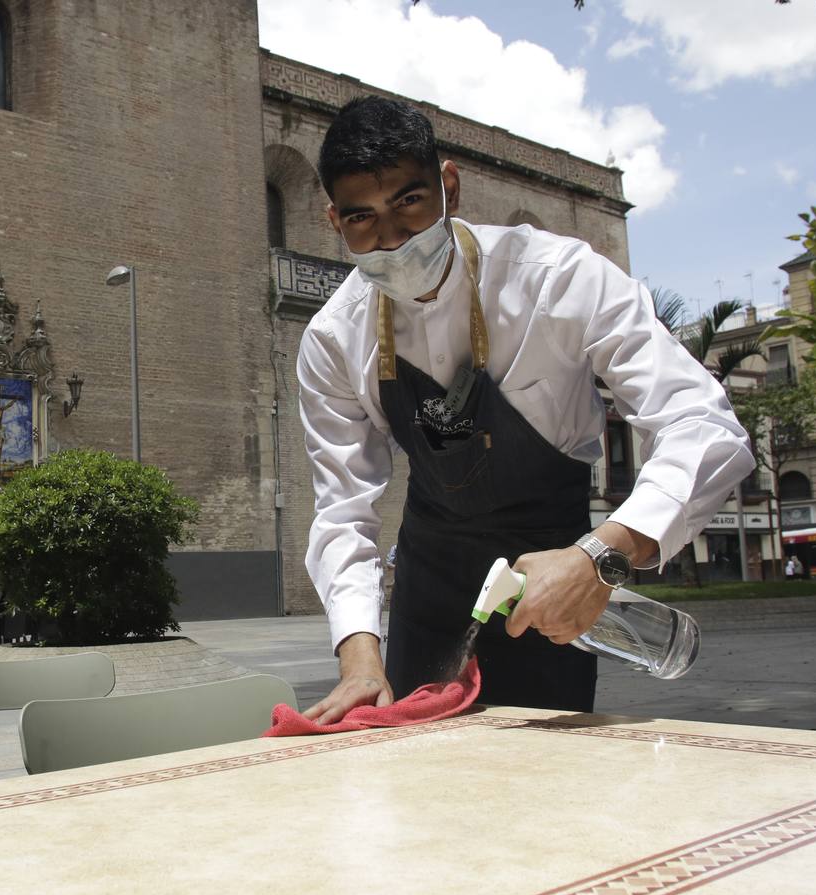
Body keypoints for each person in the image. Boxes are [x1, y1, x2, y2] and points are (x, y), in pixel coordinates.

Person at [297, 97, 754, 724]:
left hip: (556, 584)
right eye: (362, 219)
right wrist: (358, 660)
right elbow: (342, 509)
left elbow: (704, 424)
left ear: (449, 186)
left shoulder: (560, 278)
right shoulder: (332, 339)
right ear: (333, 221)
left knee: (540, 794)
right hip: (431, 590)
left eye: (409, 201)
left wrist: (601, 556)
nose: (393, 238)